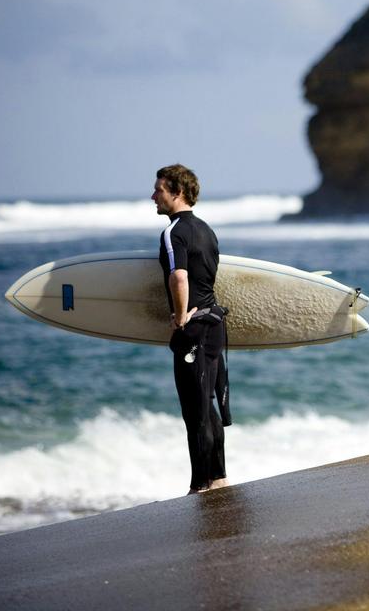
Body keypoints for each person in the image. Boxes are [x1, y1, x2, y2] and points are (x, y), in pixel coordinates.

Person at [152, 164, 230, 494]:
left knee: (194, 410)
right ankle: (219, 478)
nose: (153, 196)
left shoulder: (174, 232)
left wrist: (181, 317)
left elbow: (179, 277)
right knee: (206, 403)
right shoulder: (207, 230)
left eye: (159, 190)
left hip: (194, 330)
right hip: (214, 325)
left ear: (177, 192)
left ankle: (200, 486)